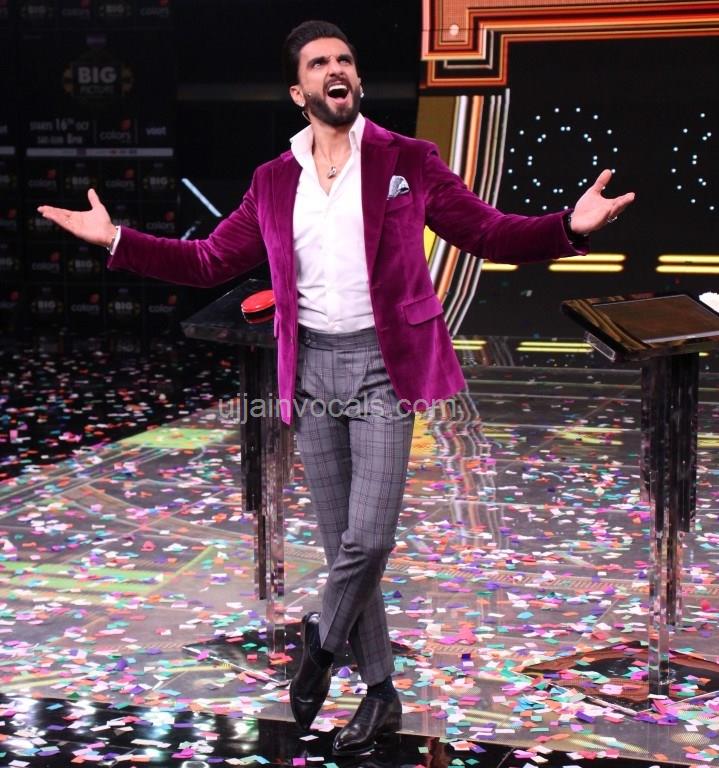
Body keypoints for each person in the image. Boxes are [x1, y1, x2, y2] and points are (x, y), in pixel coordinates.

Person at [38, 19, 635, 756]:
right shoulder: (272, 180)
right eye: (319, 63)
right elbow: (207, 262)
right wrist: (116, 240)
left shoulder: (407, 159)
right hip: (311, 370)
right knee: (342, 542)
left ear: (357, 79)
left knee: (369, 539)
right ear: (300, 92)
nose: (336, 69)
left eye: (345, 59)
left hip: (385, 366)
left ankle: (320, 645)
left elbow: (487, 233)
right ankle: (381, 694)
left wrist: (567, 227)